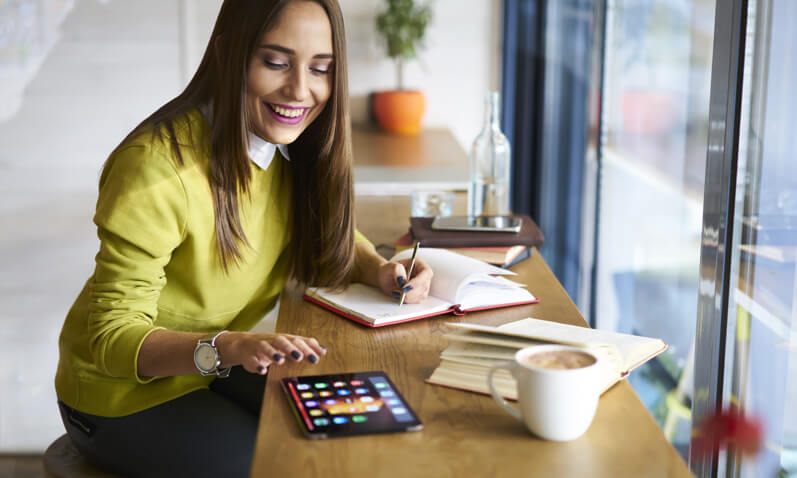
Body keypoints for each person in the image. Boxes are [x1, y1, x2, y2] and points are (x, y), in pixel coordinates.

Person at [54, 1, 433, 476]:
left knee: (354, 428)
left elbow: (327, 233)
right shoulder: (154, 169)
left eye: (321, 69)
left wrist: (378, 267)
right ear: (228, 54)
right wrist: (229, 347)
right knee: (281, 463)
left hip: (215, 365)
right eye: (275, 62)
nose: (301, 90)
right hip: (118, 395)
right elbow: (112, 340)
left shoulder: (286, 146)